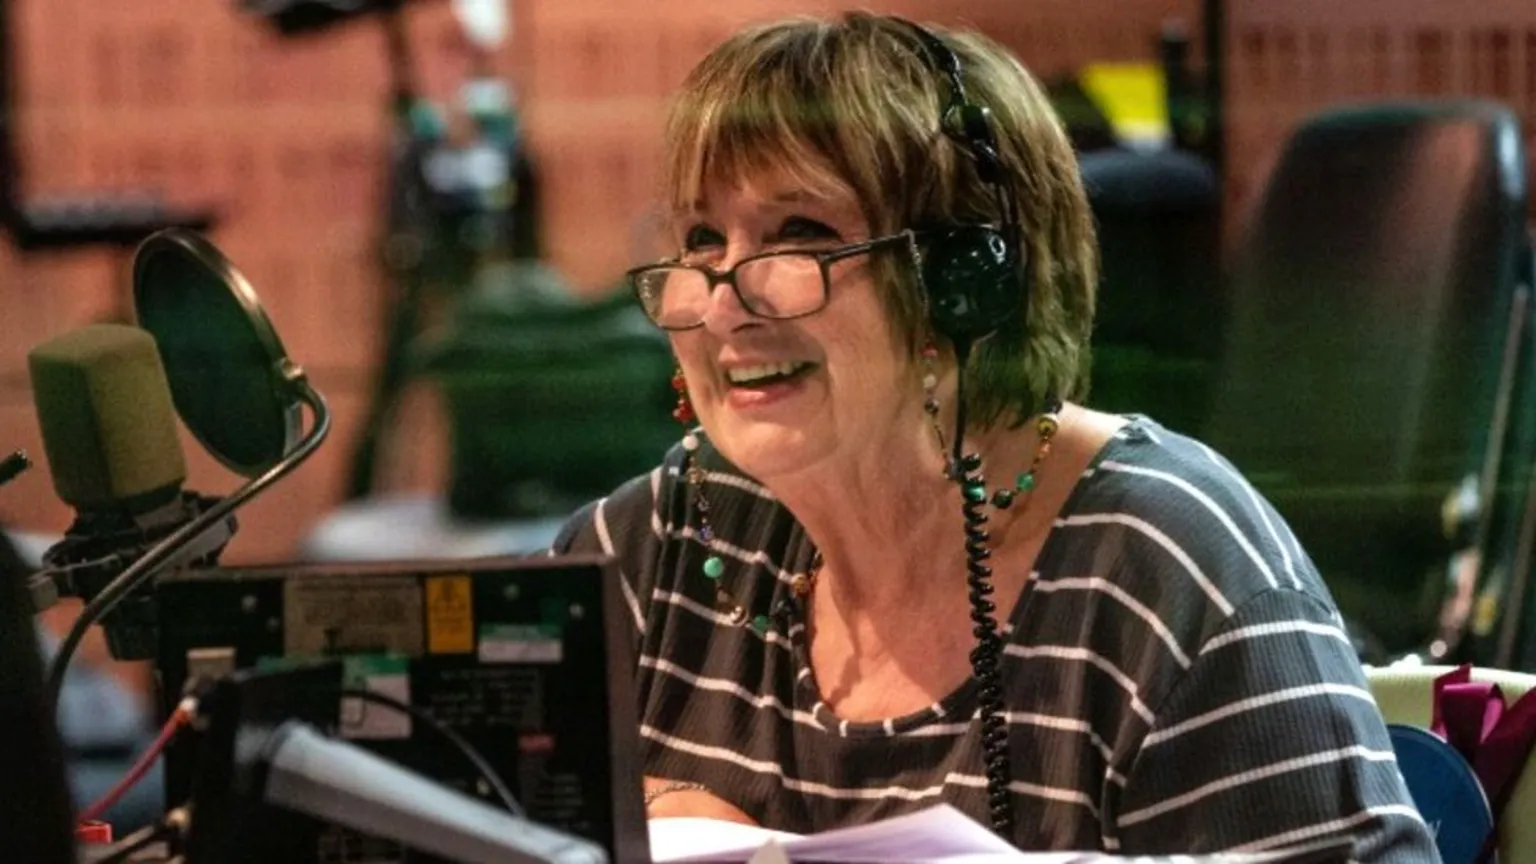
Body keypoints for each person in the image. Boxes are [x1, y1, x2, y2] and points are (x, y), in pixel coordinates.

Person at [552, 12, 1438, 859]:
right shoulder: (655, 549)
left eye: (801, 235)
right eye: (703, 240)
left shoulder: (1167, 571)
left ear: (966, 283)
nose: (724, 300)